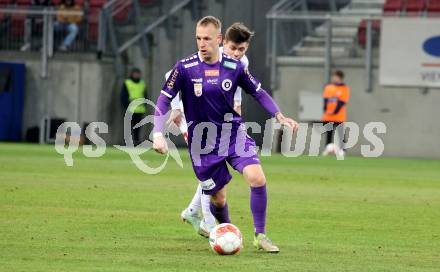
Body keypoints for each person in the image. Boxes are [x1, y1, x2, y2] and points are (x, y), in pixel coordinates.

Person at [153, 16, 298, 253]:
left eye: (207, 38)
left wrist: (279, 115)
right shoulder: (185, 68)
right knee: (218, 199)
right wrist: (157, 133)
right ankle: (226, 228)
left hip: (233, 134)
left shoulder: (235, 66)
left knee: (257, 178)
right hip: (204, 145)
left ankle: (260, 235)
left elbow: (258, 92)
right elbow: (163, 99)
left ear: (218, 39)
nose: (202, 43)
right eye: (198, 38)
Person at [166, 22, 253, 238]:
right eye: (232, 49)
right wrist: (175, 108)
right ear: (223, 43)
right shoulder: (207, 56)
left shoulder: (240, 62)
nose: (236, 53)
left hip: (218, 122)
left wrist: (237, 108)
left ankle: (192, 212)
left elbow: (235, 86)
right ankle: (207, 221)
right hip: (192, 119)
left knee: (212, 167)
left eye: (241, 50)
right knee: (208, 168)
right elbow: (171, 75)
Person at [321, 70, 350, 156]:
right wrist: (326, 110)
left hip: (339, 116)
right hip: (328, 116)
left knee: (340, 134)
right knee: (329, 134)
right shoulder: (328, 87)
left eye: (335, 76)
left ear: (340, 77)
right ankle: (328, 149)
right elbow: (326, 100)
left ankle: (343, 150)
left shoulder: (345, 89)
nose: (333, 78)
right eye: (333, 76)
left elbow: (342, 102)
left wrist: (334, 111)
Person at [120, 68, 147, 145]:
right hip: (130, 109)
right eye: (135, 73)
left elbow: (145, 95)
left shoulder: (142, 83)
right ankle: (128, 141)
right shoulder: (127, 82)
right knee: (128, 127)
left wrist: (144, 103)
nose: (136, 75)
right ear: (132, 74)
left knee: (137, 127)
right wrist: (126, 105)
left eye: (138, 73)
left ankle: (136, 142)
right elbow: (123, 96)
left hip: (140, 109)